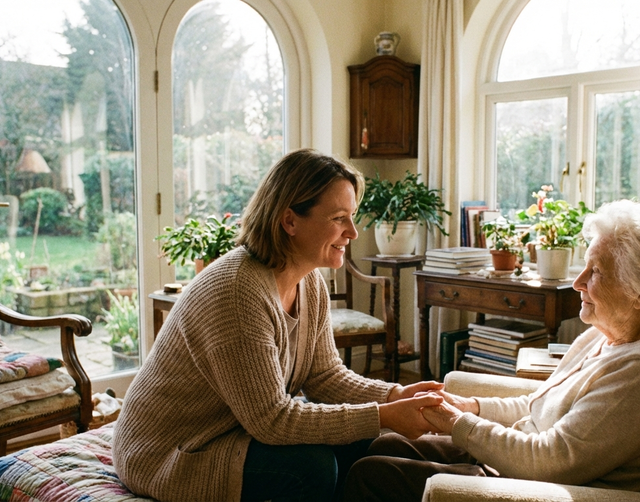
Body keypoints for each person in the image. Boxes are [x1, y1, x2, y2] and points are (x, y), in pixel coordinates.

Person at [113, 149, 444, 502]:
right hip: (169, 452)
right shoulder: (237, 290)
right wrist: (382, 415)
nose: (352, 232)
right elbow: (271, 420)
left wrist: (394, 396)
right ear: (289, 221)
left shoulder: (309, 282)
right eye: (339, 218)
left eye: (352, 217)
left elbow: (325, 376)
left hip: (232, 431)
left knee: (360, 442)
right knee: (312, 467)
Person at [343, 200, 640, 501]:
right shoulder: (611, 334)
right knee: (384, 444)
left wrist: (455, 423)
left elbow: (550, 460)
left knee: (372, 474)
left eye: (596, 272)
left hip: (537, 486)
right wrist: (471, 407)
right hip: (514, 460)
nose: (578, 282)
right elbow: (541, 405)